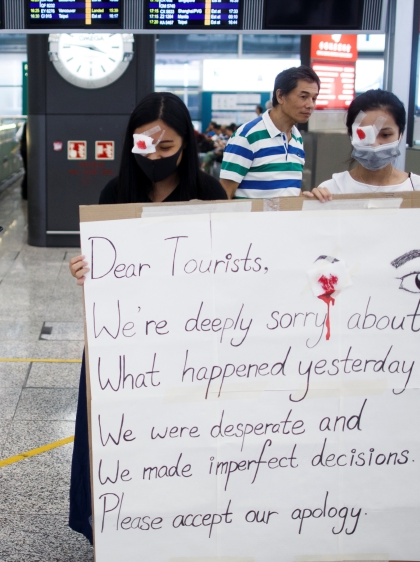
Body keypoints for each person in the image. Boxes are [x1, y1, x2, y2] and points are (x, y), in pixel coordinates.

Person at [66, 92, 228, 543]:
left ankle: (188, 526)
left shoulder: (210, 193)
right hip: (125, 342)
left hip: (191, 345)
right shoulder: (115, 194)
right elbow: (104, 267)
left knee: (185, 442)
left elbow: (235, 271)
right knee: (121, 440)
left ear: (187, 144)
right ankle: (120, 528)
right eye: (144, 147)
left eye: (167, 148)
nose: (154, 157)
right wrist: (85, 269)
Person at [304, 89, 420, 218]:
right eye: (364, 135)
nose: (375, 144)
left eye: (386, 135)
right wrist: (308, 210)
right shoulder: (333, 189)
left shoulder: (419, 189)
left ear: (400, 134)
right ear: (351, 135)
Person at [219, 65, 320, 199]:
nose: (310, 105)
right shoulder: (248, 136)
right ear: (280, 96)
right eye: (303, 96)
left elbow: (288, 190)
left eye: (314, 98)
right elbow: (223, 196)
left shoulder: (297, 139)